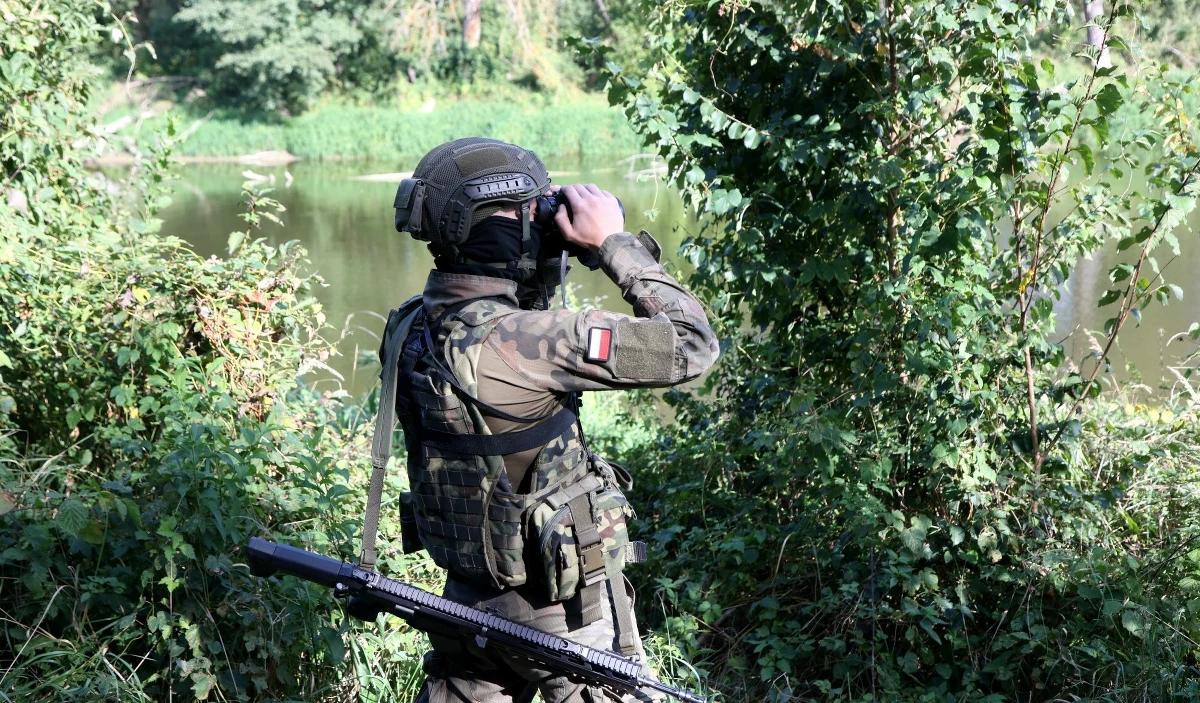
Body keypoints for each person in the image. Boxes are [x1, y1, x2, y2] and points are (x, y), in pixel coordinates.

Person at [373, 137, 718, 703]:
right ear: (500, 222)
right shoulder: (535, 340)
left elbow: (496, 309)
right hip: (560, 617)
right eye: (530, 210)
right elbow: (692, 345)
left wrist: (540, 251)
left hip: (466, 598)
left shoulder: (409, 327)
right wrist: (613, 244)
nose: (543, 219)